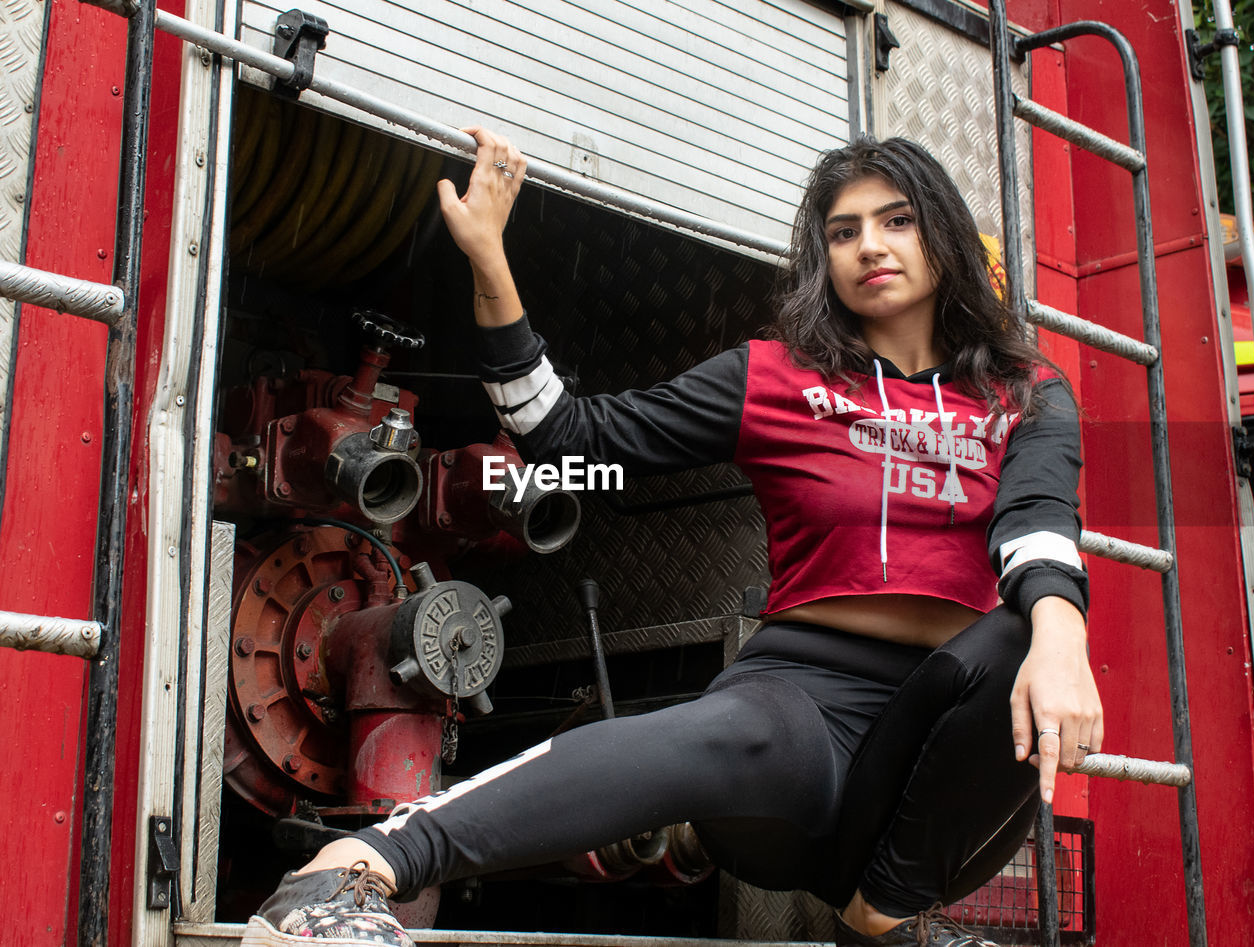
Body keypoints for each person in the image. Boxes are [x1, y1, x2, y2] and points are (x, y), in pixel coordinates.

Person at [240, 128, 1102, 947]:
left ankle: (884, 919)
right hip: (796, 716)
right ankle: (350, 870)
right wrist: (490, 264)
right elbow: (571, 438)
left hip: (933, 755)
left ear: (943, 234)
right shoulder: (776, 377)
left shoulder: (1025, 393)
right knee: (710, 734)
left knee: (1033, 624)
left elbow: (1037, 524)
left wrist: (1062, 639)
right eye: (844, 232)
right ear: (823, 259)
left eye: (897, 220)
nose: (870, 246)